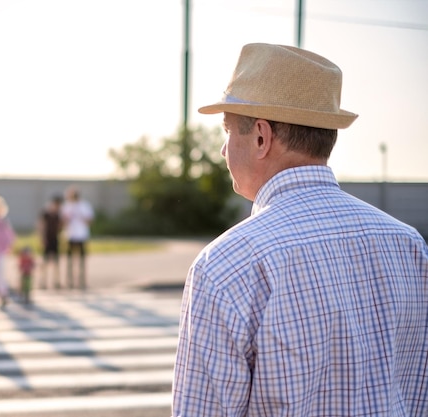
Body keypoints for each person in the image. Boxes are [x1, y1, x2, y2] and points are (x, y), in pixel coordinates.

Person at [172, 43, 428, 416]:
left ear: (261, 137)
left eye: (228, 132)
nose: (224, 151)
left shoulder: (227, 265)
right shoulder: (408, 245)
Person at [60, 186, 94, 290]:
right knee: (69, 259)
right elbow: (63, 221)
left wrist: (81, 217)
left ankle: (82, 281)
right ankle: (69, 281)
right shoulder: (66, 206)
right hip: (70, 235)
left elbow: (89, 221)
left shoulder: (84, 205)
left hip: (82, 235)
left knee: (82, 259)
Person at [36, 194, 64, 289]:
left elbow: (60, 227)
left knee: (56, 262)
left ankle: (57, 281)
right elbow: (41, 226)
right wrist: (42, 238)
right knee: (44, 262)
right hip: (47, 239)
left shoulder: (58, 214)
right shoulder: (46, 213)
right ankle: (42, 281)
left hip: (55, 239)